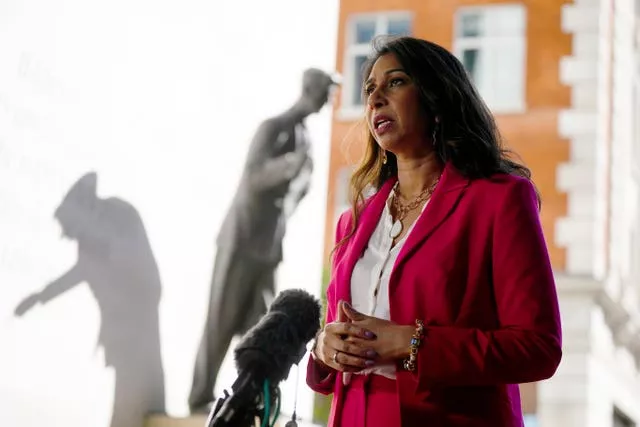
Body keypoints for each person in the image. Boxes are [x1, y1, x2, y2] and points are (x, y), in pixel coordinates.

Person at [306, 36, 562, 426]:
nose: (375, 99)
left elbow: (538, 346)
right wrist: (325, 348)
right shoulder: (353, 221)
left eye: (395, 82)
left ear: (437, 99)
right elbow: (336, 344)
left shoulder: (500, 199)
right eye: (370, 88)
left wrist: (412, 343)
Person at [189, 68, 338, 412]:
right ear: (310, 89)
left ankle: (254, 394)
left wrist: (302, 178)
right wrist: (291, 165)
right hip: (241, 239)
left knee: (268, 326)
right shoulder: (273, 128)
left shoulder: (305, 139)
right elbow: (254, 176)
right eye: (327, 92)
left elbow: (296, 193)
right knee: (222, 320)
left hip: (270, 245)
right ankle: (199, 397)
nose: (330, 100)